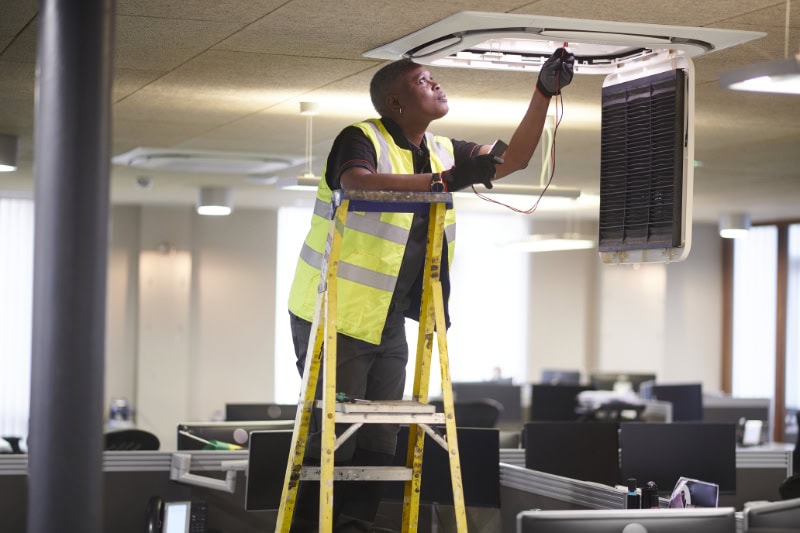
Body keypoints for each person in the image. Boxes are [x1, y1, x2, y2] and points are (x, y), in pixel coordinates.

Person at [287, 47, 575, 532]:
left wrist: (543, 92)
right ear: (396, 103)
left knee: (382, 436)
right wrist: (444, 181)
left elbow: (514, 160)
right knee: (336, 438)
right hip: (335, 312)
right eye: (425, 81)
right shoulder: (361, 138)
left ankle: (355, 526)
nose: (437, 85)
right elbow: (358, 186)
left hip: (391, 316)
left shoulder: (442, 149)